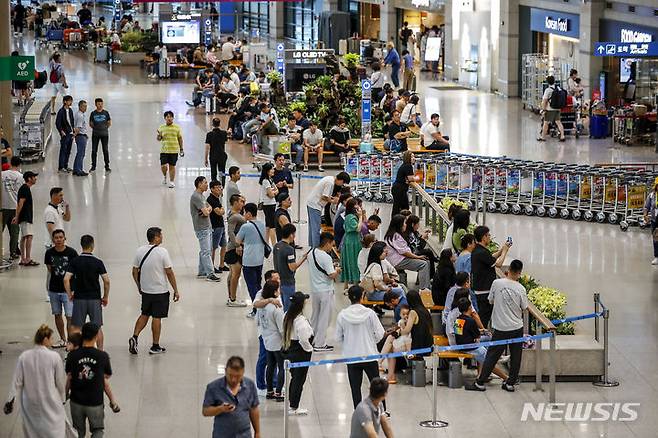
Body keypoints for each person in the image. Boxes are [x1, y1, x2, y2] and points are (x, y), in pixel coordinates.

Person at [467, 260, 528, 392]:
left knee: (492, 355)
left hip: (500, 327)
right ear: (519, 273)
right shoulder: (521, 289)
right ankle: (510, 383)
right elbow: (524, 307)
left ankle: (480, 381)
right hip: (517, 327)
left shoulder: (496, 283)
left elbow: (491, 300)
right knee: (516, 355)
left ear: (509, 270)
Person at [4, 325, 68, 437]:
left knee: (33, 432)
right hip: (50, 401)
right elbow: (60, 382)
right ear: (45, 339)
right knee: (53, 431)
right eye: (51, 338)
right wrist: (62, 398)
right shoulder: (54, 357)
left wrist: (10, 400)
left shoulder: (24, 357)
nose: (52, 341)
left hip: (30, 403)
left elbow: (16, 381)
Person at [129, 227, 180, 355]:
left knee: (144, 314)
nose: (162, 237)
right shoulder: (162, 252)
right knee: (157, 317)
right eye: (161, 235)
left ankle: (134, 337)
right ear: (156, 237)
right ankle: (155, 346)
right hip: (160, 291)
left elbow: (134, 271)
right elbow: (169, 272)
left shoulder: (140, 251)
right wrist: (175, 289)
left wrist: (139, 286)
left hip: (146, 291)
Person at [336, 285, 385, 408]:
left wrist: (348, 344)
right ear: (362, 296)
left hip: (352, 356)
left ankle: (358, 411)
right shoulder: (370, 314)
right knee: (376, 385)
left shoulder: (342, 315)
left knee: (355, 387)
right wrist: (371, 341)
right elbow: (380, 334)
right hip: (369, 355)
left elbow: (338, 338)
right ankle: (382, 410)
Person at [66, 323, 115, 437]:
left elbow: (69, 375)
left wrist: (65, 394)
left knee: (78, 431)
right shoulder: (102, 356)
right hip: (95, 401)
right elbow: (106, 376)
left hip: (76, 401)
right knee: (97, 430)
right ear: (96, 336)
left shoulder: (72, 355)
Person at [64, 235, 110, 350]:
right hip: (94, 299)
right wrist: (105, 296)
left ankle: (74, 351)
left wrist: (70, 294)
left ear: (81, 245)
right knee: (97, 327)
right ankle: (100, 352)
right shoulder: (98, 262)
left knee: (76, 328)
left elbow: (66, 279)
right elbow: (106, 281)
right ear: (92, 245)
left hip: (79, 298)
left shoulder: (75, 262)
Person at [202, 356, 261, 438]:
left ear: (243, 372)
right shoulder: (213, 387)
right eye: (230, 375)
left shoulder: (250, 385)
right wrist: (220, 409)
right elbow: (205, 411)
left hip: (244, 435)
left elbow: (254, 409)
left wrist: (257, 432)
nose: (233, 380)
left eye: (237, 376)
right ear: (225, 371)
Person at [453, 298, 509, 381]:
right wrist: (482, 332)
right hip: (471, 347)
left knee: (488, 339)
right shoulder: (471, 321)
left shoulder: (458, 319)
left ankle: (495, 360)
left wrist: (482, 331)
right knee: (489, 363)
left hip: (461, 345)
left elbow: (464, 332)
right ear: (469, 308)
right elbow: (477, 336)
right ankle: (506, 378)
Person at [306, 231, 340, 352]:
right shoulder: (326, 257)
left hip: (315, 290)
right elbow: (331, 275)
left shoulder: (311, 252)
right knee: (325, 318)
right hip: (326, 290)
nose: (332, 247)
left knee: (315, 316)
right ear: (327, 243)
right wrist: (337, 270)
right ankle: (320, 344)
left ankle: (311, 339)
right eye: (332, 244)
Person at [471, 225, 511, 328]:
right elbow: (498, 264)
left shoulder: (478, 250)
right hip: (485, 292)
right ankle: (481, 339)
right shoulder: (482, 252)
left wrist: (502, 248)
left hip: (480, 290)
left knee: (483, 318)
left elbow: (490, 258)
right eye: (488, 235)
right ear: (484, 237)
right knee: (484, 319)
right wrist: (505, 251)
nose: (489, 237)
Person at [282, 292, 314, 415]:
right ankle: (294, 406)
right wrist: (309, 349)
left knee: (295, 378)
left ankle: (292, 403)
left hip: (290, 348)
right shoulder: (300, 321)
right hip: (300, 352)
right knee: (299, 380)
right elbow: (304, 339)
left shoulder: (287, 315)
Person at [45, 229, 78, 348]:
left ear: (65, 238)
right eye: (56, 238)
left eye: (61, 237)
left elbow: (75, 271)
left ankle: (70, 340)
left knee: (69, 316)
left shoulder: (72, 253)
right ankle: (62, 339)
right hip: (54, 289)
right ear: (53, 240)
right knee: (57, 314)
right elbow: (50, 269)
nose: (58, 240)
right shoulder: (49, 253)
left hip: (68, 290)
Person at [236, 202, 268, 317]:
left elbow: (237, 241)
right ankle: (261, 306)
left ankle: (256, 310)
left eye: (245, 213)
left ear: (249, 214)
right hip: (259, 259)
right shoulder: (262, 224)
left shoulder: (246, 226)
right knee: (258, 285)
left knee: (251, 286)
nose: (244, 215)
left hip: (249, 260)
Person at [384, 214, 430, 289]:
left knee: (426, 261)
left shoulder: (393, 234)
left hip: (401, 258)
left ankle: (425, 284)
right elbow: (404, 252)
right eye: (404, 223)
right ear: (399, 225)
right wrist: (417, 257)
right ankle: (424, 289)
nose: (406, 225)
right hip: (399, 261)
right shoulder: (396, 236)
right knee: (423, 264)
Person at [257, 280, 285, 401]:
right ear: (274, 292)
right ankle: (278, 392)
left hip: (267, 339)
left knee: (270, 366)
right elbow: (281, 329)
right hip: (277, 342)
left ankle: (269, 391)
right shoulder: (276, 308)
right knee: (281, 366)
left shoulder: (262, 307)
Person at [191, 176, 222, 282]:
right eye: (205, 183)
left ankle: (202, 271)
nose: (206, 184)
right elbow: (206, 212)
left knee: (205, 250)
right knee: (206, 251)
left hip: (207, 226)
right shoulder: (196, 197)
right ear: (199, 184)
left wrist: (207, 210)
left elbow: (210, 208)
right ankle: (210, 273)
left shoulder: (202, 196)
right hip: (201, 227)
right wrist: (207, 210)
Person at [307, 172, 351, 247]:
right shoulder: (330, 183)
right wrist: (334, 201)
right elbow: (324, 197)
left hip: (311, 203)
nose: (342, 185)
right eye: (343, 183)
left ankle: (312, 246)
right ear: (341, 180)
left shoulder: (330, 178)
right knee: (316, 229)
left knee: (312, 228)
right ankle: (316, 249)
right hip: (315, 205)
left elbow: (325, 195)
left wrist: (333, 199)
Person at [273, 224, 307, 312]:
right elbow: (292, 267)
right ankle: (287, 325)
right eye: (294, 234)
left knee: (284, 306)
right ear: (291, 235)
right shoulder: (289, 249)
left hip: (279, 281)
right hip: (288, 282)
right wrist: (303, 258)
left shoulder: (276, 246)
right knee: (289, 309)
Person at [378, 305, 412, 383]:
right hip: (403, 340)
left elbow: (405, 331)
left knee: (390, 344)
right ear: (400, 314)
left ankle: (381, 364)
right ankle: (390, 376)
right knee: (390, 340)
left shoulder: (408, 321)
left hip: (407, 342)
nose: (405, 316)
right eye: (403, 314)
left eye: (407, 314)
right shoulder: (401, 321)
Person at [225, 194, 247, 307]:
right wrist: (237, 245)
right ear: (235, 202)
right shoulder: (234, 216)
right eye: (241, 201)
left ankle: (231, 297)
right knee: (236, 273)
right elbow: (230, 232)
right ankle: (233, 299)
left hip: (235, 247)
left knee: (233, 273)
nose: (243, 203)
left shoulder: (236, 214)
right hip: (234, 248)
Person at [14, 170, 38, 266]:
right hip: (25, 216)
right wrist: (17, 216)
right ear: (29, 178)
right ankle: (27, 259)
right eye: (34, 177)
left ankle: (23, 259)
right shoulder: (25, 188)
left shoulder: (25, 188)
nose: (35, 178)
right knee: (29, 236)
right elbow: (21, 202)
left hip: (25, 216)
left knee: (25, 236)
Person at [401, 289, 433, 355]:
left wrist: (399, 330)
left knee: (392, 344)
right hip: (428, 344)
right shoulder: (425, 310)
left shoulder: (413, 312)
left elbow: (406, 331)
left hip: (418, 346)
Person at [1, 156, 22, 259]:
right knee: (14, 232)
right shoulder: (20, 177)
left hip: (3, 207)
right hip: (15, 207)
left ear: (10, 163)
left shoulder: (2, 174)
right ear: (19, 164)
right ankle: (13, 252)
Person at [157, 111, 184, 188]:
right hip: (164, 150)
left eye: (170, 117)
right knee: (163, 166)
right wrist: (159, 136)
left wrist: (181, 149)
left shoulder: (177, 128)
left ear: (173, 118)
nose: (169, 118)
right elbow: (159, 139)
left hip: (174, 150)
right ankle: (165, 176)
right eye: (167, 117)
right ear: (165, 118)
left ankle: (172, 181)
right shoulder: (161, 128)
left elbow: (180, 138)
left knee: (172, 166)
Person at [341, 198, 363, 287]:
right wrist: (361, 216)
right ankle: (354, 284)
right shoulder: (351, 217)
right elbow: (358, 229)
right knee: (354, 262)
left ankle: (346, 285)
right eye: (356, 204)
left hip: (349, 240)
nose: (358, 206)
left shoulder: (348, 216)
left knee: (347, 261)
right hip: (353, 242)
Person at [207, 181, 228, 273]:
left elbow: (222, 210)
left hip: (221, 225)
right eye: (217, 187)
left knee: (224, 245)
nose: (220, 189)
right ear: (212, 189)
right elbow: (219, 212)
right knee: (214, 247)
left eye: (220, 187)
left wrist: (222, 210)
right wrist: (222, 210)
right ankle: (211, 266)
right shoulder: (211, 199)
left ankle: (222, 265)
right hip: (215, 226)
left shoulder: (217, 198)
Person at [537, 75, 565, 142]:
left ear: (547, 82)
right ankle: (562, 136)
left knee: (545, 123)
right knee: (558, 122)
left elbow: (544, 101)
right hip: (558, 108)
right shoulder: (558, 88)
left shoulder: (548, 90)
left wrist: (543, 110)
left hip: (550, 109)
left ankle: (543, 137)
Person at [88, 98, 112, 173]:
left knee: (105, 150)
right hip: (95, 134)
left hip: (104, 135)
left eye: (101, 103)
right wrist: (96, 129)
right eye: (98, 104)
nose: (100, 105)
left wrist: (104, 128)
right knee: (94, 150)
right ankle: (93, 166)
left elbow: (109, 122)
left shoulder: (106, 113)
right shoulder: (93, 113)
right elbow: (91, 124)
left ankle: (107, 165)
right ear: (95, 104)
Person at [259, 162, 279, 246]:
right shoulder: (266, 181)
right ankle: (274, 245)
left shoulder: (270, 180)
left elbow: (276, 190)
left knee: (267, 225)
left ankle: (266, 243)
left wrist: (273, 192)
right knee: (272, 226)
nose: (273, 170)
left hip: (271, 204)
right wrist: (273, 192)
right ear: (267, 171)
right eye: (272, 169)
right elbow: (271, 195)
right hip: (268, 205)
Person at [204, 118, 228, 185]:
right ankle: (222, 186)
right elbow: (224, 143)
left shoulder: (209, 134)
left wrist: (205, 158)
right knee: (222, 172)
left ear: (212, 124)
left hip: (213, 156)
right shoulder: (224, 133)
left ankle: (214, 187)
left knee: (213, 172)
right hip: (222, 155)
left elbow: (207, 147)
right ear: (220, 124)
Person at [55, 95, 74, 172]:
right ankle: (61, 166)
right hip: (65, 134)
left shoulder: (70, 110)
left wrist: (73, 131)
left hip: (70, 132)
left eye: (71, 100)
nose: (71, 102)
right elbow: (57, 123)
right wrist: (61, 131)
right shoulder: (61, 111)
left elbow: (72, 121)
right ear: (65, 102)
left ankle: (66, 165)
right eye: (69, 101)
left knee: (68, 150)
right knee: (63, 150)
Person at [643, 176, 658, 265]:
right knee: (656, 238)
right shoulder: (651, 195)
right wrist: (645, 215)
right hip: (654, 219)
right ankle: (657, 256)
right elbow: (646, 206)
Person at [72, 100, 89, 176]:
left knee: (79, 153)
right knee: (81, 154)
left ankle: (76, 169)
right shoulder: (80, 116)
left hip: (81, 135)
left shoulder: (79, 114)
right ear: (80, 106)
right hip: (81, 136)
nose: (85, 108)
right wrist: (74, 136)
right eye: (84, 106)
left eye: (86, 106)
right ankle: (79, 170)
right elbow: (78, 128)